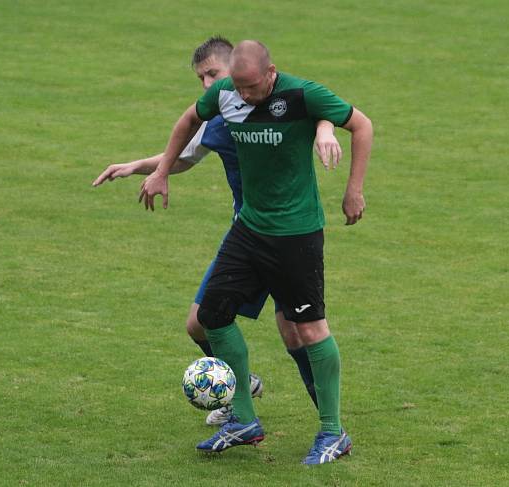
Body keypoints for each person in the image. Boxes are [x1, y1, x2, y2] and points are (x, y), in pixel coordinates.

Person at [138, 40, 372, 465]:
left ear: (271, 72)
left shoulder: (300, 93)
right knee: (211, 316)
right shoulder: (226, 93)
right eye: (237, 88)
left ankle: (333, 432)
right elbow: (189, 120)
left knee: (309, 329)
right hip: (249, 227)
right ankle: (244, 419)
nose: (243, 96)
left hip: (296, 233)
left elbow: (362, 125)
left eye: (251, 87)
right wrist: (160, 171)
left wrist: (353, 191)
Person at [93, 37, 342, 425]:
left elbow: (320, 107)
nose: (209, 84)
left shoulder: (266, 104)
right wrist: (138, 166)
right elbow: (184, 156)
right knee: (201, 321)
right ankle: (238, 387)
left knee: (295, 333)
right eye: (201, 78)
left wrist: (326, 127)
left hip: (286, 233)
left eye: (214, 73)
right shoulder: (224, 115)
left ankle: (328, 422)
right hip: (246, 235)